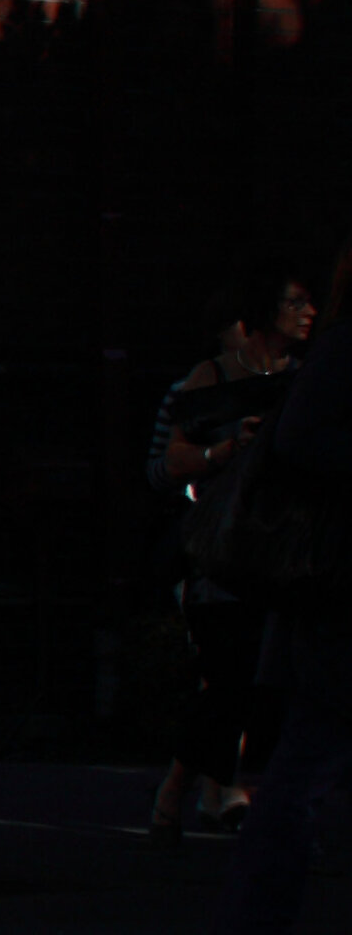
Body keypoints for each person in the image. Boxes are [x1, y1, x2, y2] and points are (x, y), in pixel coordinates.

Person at [207, 237, 352, 935]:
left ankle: (253, 923)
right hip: (338, 597)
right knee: (305, 764)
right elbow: (300, 442)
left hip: (332, 599)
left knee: (307, 761)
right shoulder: (345, 350)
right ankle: (252, 926)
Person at [147, 265, 314, 840]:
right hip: (226, 553)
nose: (308, 313)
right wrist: (226, 450)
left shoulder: (307, 380)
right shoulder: (209, 380)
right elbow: (167, 466)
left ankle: (242, 798)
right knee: (229, 681)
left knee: (274, 685)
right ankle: (184, 791)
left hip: (288, 551)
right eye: (294, 303)